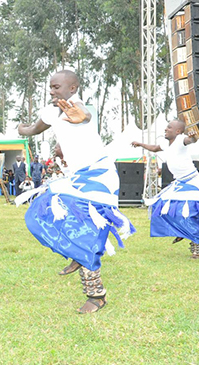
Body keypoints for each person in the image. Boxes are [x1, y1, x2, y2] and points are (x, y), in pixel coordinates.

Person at [17, 70, 135, 314]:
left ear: (72, 88)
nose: (52, 91)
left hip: (99, 176)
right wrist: (22, 130)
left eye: (57, 87)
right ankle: (76, 253)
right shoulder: (51, 111)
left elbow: (85, 115)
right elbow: (34, 130)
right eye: (50, 87)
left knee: (88, 230)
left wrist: (82, 115)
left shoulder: (78, 106)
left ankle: (96, 295)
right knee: (38, 212)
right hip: (77, 177)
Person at [132, 119, 199, 259]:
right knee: (161, 205)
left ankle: (196, 247)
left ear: (178, 131)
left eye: (169, 127)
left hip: (192, 182)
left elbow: (191, 140)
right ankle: (181, 230)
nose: (166, 129)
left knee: (188, 213)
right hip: (179, 183)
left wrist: (193, 136)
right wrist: (140, 144)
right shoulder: (166, 143)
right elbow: (154, 148)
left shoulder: (180, 140)